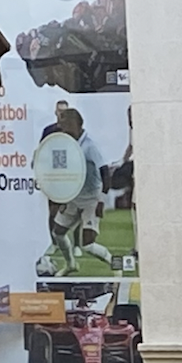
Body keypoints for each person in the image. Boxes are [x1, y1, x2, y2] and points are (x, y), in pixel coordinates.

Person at [48, 108, 115, 274]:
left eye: (63, 124)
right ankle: (71, 265)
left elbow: (105, 172)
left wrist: (101, 200)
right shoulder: (67, 144)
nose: (60, 127)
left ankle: (116, 264)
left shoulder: (90, 146)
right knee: (58, 233)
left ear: (74, 124)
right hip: (74, 197)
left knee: (88, 245)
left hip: (91, 200)